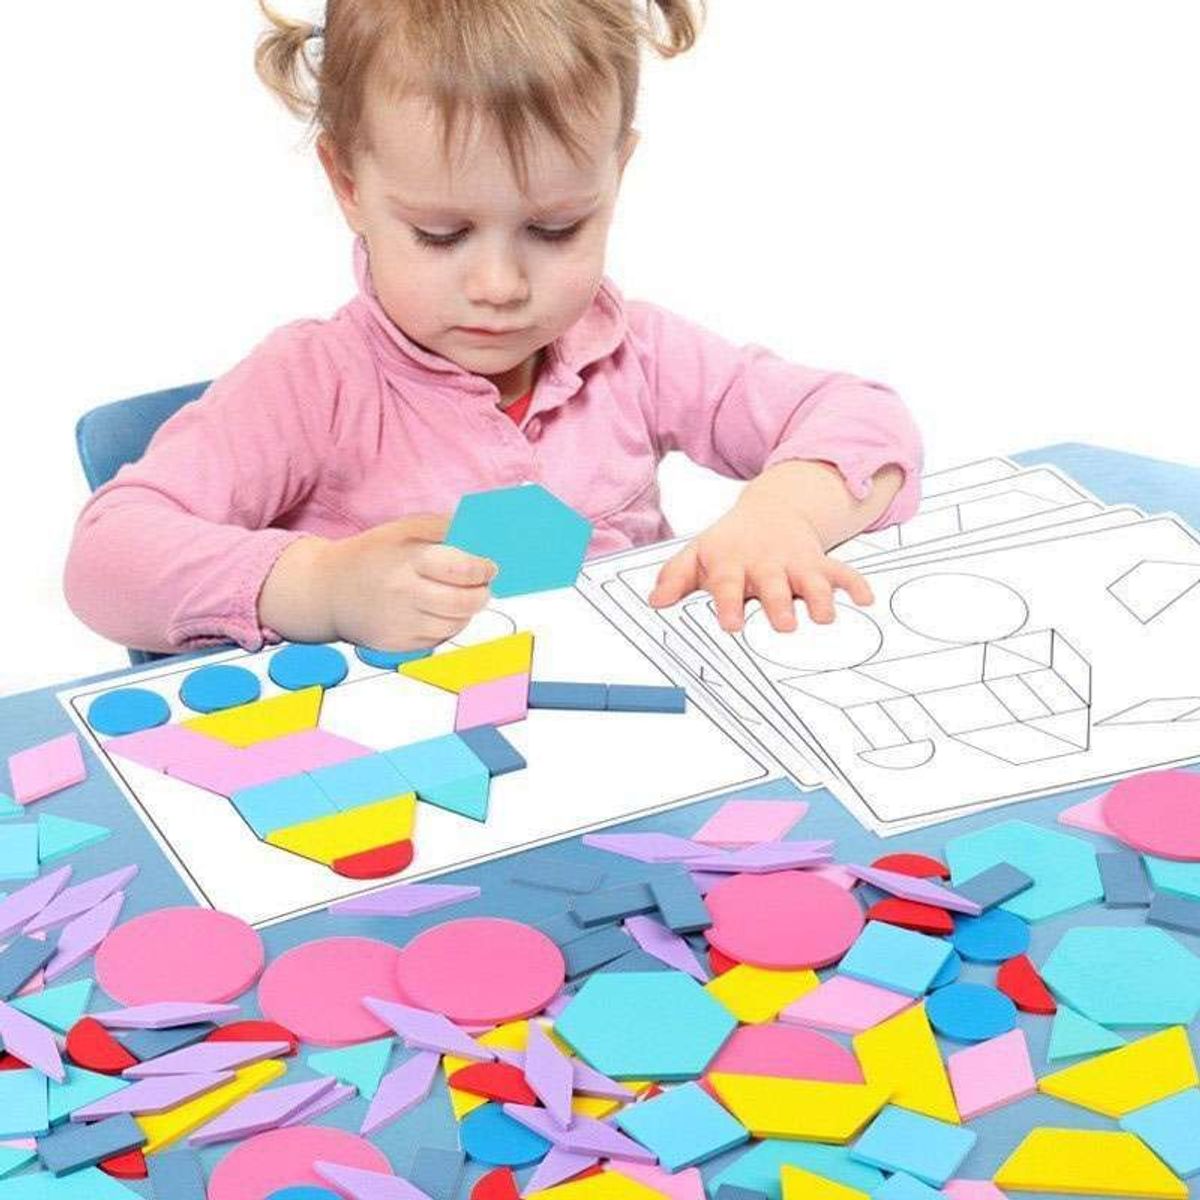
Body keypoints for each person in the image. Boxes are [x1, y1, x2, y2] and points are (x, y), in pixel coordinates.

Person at [65, 0, 923, 657]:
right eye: (440, 235)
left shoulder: (638, 352)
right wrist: (322, 588)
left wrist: (785, 514)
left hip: (644, 731)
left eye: (555, 228)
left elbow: (865, 420)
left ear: (615, 174)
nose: (500, 287)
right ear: (349, 184)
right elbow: (106, 558)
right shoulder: (310, 383)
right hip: (403, 771)